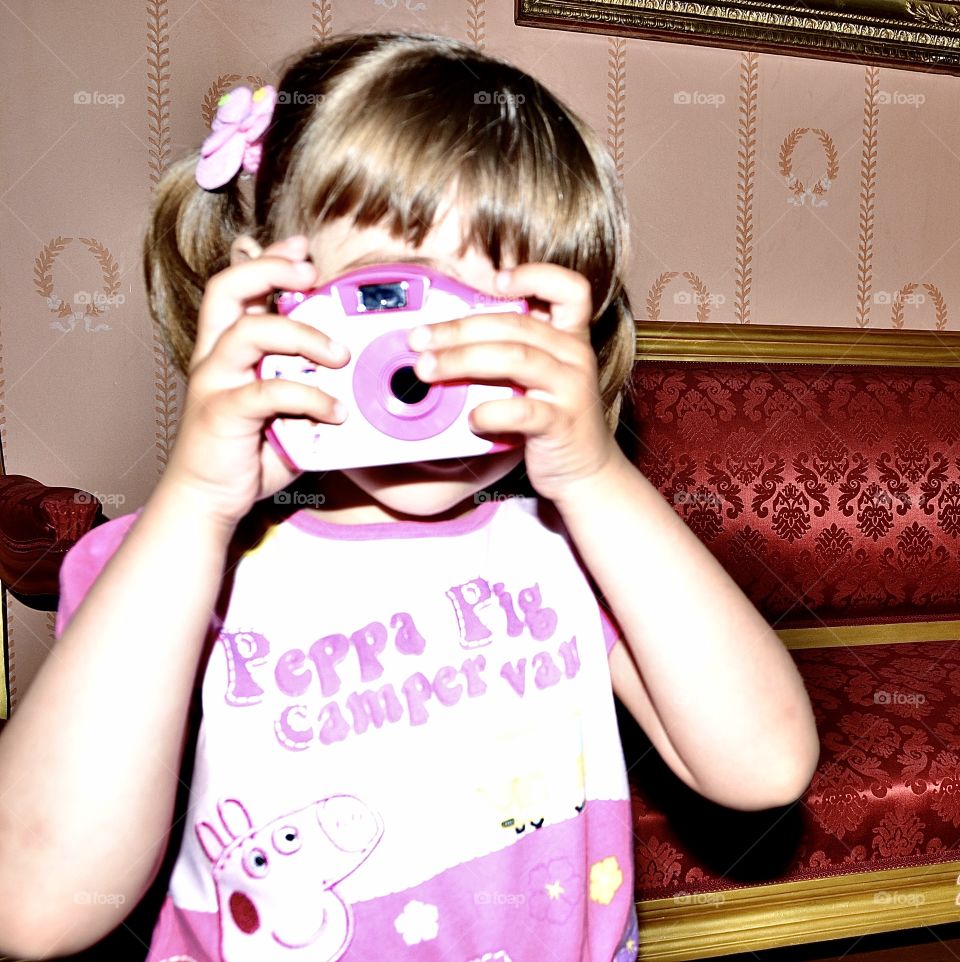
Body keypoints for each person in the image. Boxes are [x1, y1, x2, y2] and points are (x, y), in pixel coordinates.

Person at [0, 31, 818, 962]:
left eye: (494, 321)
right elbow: (33, 906)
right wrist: (195, 506)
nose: (428, 370)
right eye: (391, 297)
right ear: (267, 295)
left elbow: (765, 767)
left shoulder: (578, 549)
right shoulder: (163, 572)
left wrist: (596, 482)